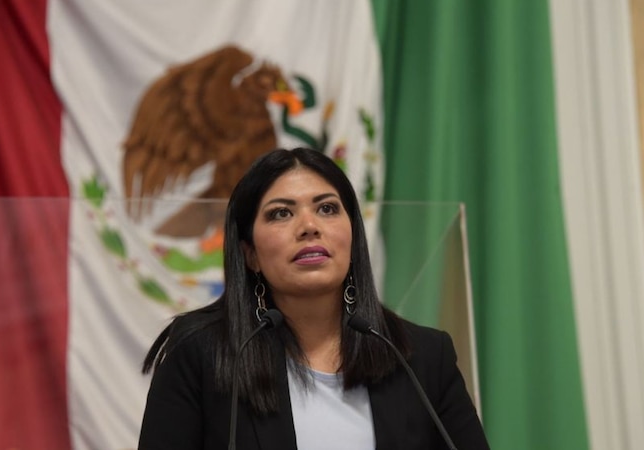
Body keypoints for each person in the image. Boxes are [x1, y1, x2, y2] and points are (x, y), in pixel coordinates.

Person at [138, 148, 489, 449]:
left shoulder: (421, 356)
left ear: (353, 238)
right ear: (250, 254)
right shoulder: (202, 352)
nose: (309, 226)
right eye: (281, 213)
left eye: (327, 208)